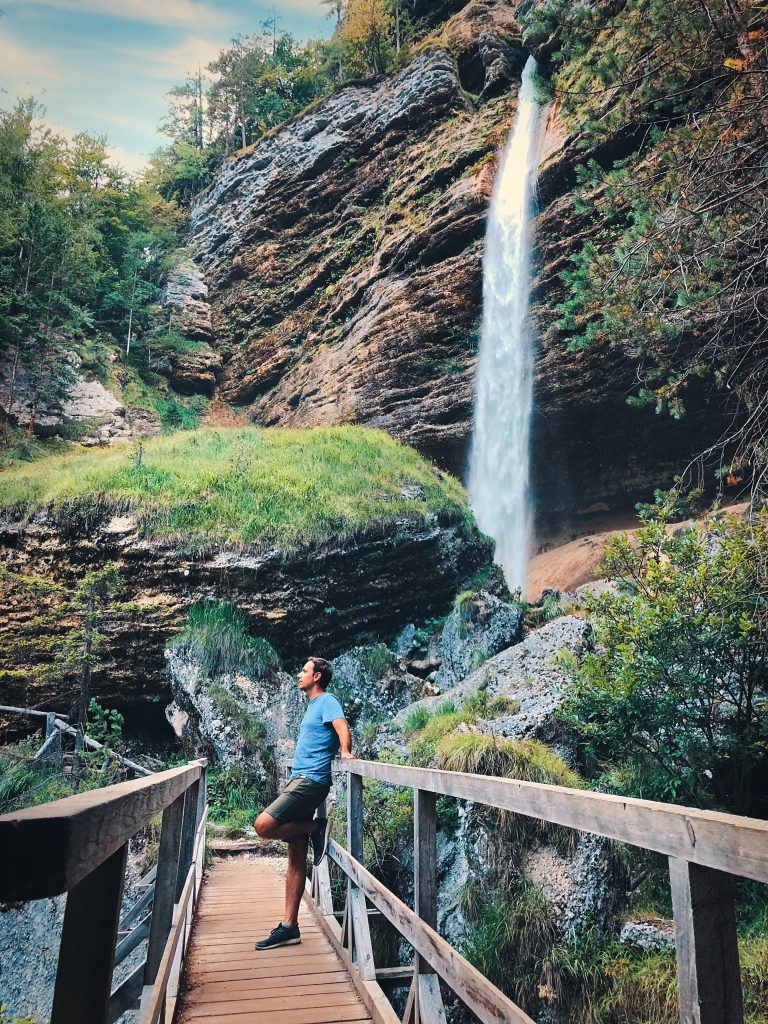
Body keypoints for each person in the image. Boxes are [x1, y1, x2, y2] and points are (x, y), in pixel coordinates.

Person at [253, 655, 353, 950]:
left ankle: (314, 826)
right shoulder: (311, 706)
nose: (299, 674)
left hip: (310, 782)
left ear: (317, 676)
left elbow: (341, 726)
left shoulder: (327, 701)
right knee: (296, 856)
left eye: (304, 670)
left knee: (263, 825)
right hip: (299, 779)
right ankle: (289, 926)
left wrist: (345, 751)